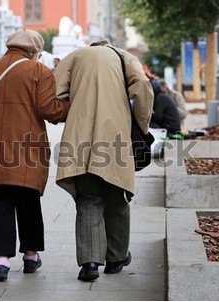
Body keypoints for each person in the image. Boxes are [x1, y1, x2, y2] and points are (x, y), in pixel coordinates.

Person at [0, 30, 70, 282]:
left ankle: (0, 262)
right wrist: (71, 105)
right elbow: (50, 109)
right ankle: (31, 256)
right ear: (35, 52)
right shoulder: (39, 71)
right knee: (28, 200)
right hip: (27, 147)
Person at [53, 40, 153, 282]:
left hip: (80, 136)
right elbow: (142, 85)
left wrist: (76, 106)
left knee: (88, 199)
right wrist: (142, 123)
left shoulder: (75, 57)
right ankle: (116, 258)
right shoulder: (125, 57)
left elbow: (55, 92)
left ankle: (90, 263)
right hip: (115, 135)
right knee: (117, 196)